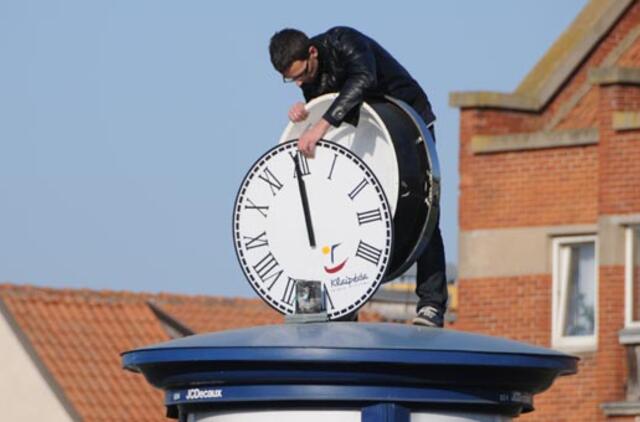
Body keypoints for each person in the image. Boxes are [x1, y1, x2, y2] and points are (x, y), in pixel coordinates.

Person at [269, 26, 448, 327]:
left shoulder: (345, 42)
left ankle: (431, 304)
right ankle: (345, 301)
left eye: (301, 73)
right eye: (292, 79)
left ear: (312, 52)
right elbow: (323, 107)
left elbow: (365, 80)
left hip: (410, 121)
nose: (300, 81)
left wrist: (319, 126)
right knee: (347, 219)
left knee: (423, 209)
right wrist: (304, 113)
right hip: (367, 136)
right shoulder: (309, 74)